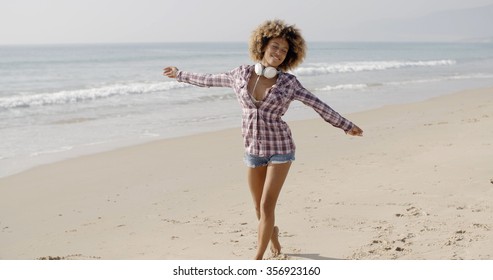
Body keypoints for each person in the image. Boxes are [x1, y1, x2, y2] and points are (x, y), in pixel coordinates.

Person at [163, 19, 363, 260]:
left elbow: (316, 103)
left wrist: (345, 125)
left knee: (268, 206)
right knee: (258, 208)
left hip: (281, 149)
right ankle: (273, 234)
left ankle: (257, 260)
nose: (278, 53)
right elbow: (208, 80)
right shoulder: (239, 74)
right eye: (275, 46)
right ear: (263, 45)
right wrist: (179, 74)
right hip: (253, 150)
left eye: (284, 51)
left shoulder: (289, 83)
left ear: (289, 57)